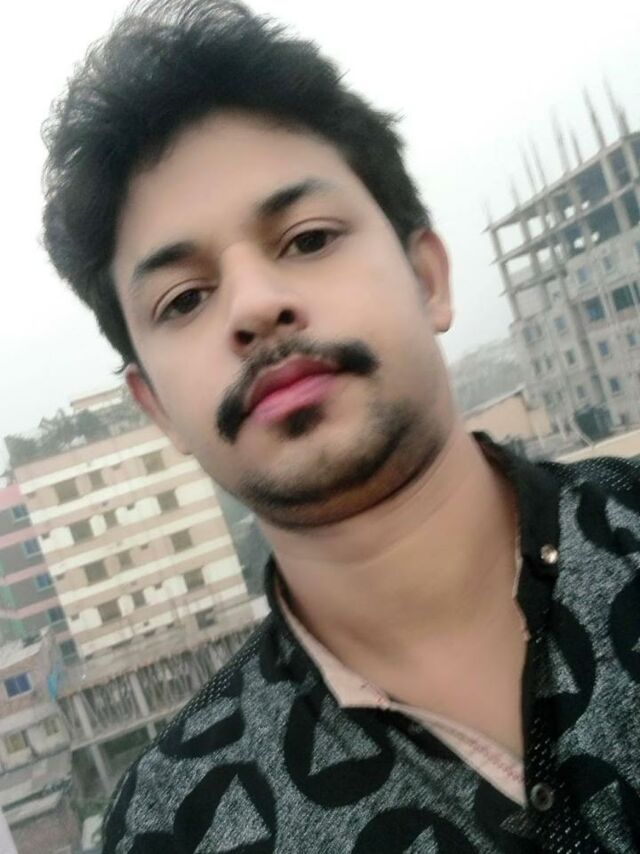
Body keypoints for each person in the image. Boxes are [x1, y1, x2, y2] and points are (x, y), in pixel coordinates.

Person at [42, 1, 639, 851]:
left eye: (308, 239)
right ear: (157, 408)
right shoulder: (170, 826)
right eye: (185, 298)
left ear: (427, 277)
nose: (254, 306)